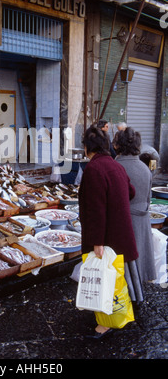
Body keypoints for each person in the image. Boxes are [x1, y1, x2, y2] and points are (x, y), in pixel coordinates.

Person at [79, 125, 139, 339]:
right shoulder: (116, 167)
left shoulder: (94, 170)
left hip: (106, 237)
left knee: (106, 279)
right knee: (114, 277)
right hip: (120, 231)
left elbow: (96, 211)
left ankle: (106, 322)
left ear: (87, 148)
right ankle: (113, 312)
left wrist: (97, 242)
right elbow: (131, 192)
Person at [114, 127, 157, 287]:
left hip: (123, 222)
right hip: (142, 219)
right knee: (138, 260)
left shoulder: (115, 167)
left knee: (122, 266)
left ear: (117, 145)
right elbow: (148, 198)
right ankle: (137, 293)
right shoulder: (145, 169)